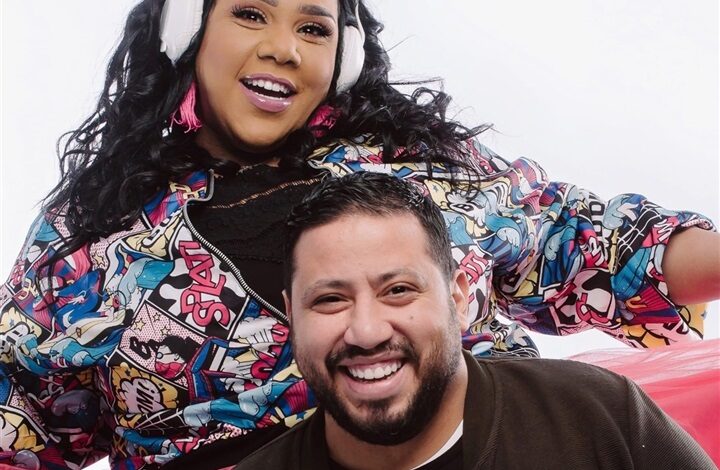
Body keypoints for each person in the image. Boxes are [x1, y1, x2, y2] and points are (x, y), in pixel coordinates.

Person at [0, 0, 718, 469]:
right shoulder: (87, 234)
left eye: (313, 28)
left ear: (342, 56)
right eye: (250, 13)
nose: (284, 48)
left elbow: (588, 244)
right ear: (187, 30)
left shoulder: (422, 165)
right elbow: (18, 410)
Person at [235, 172, 714, 470]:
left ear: (458, 296)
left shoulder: (595, 416)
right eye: (330, 300)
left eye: (398, 291)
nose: (366, 331)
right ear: (291, 315)